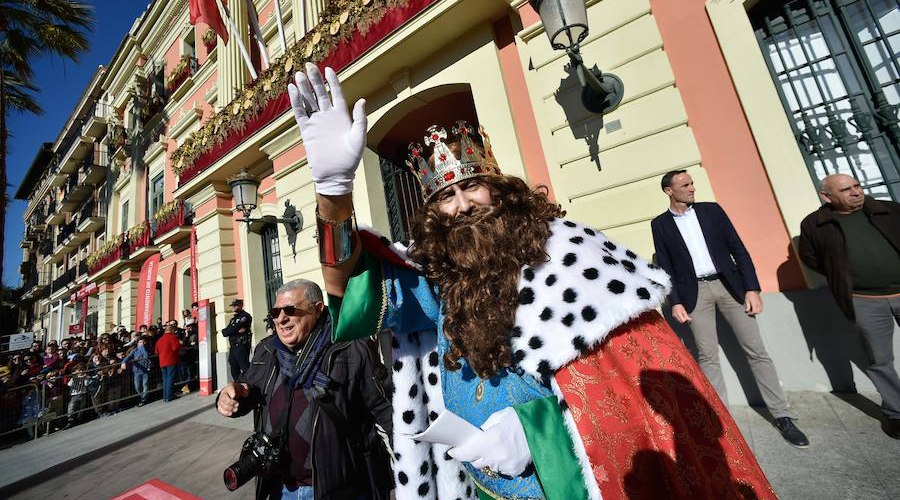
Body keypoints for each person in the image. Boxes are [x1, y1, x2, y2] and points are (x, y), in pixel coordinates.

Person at [286, 64, 776, 499]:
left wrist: (534, 434)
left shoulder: (571, 259)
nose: (460, 207)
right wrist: (333, 195)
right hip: (482, 485)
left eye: (471, 186)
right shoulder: (442, 279)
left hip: (571, 484)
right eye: (445, 197)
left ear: (499, 189)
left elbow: (624, 403)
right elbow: (348, 295)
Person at [650, 170, 809, 448]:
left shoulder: (712, 211)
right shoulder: (660, 224)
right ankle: (720, 421)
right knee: (707, 356)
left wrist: (752, 288)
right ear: (669, 191)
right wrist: (674, 301)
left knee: (756, 350)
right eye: (685, 185)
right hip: (694, 294)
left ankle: (782, 416)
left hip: (729, 287)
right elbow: (665, 266)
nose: (692, 188)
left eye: (692, 183)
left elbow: (739, 249)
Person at [217, 280, 393, 500]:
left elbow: (386, 410)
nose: (281, 319)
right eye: (276, 312)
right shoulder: (266, 349)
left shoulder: (350, 348)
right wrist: (230, 397)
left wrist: (413, 470)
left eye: (290, 310)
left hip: (337, 488)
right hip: (279, 486)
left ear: (318, 309)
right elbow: (248, 388)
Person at [798, 173, 900, 439]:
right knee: (879, 359)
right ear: (827, 196)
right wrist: (843, 276)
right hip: (864, 301)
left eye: (857, 186)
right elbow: (811, 258)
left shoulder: (887, 209)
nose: (856, 192)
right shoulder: (814, 224)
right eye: (846, 189)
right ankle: (896, 412)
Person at [222, 298, 252, 381]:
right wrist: (234, 330)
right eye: (233, 306)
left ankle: (250, 384)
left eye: (235, 305)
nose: (233, 308)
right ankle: (238, 383)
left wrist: (232, 330)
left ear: (240, 305)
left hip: (241, 345)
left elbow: (232, 329)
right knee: (233, 365)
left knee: (244, 366)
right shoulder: (233, 319)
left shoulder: (245, 316)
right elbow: (225, 332)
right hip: (233, 346)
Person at [121, 337, 151, 406]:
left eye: (143, 342)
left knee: (145, 385)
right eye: (140, 342)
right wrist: (123, 362)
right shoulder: (134, 350)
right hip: (137, 371)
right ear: (137, 343)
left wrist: (142, 348)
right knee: (137, 387)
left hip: (145, 370)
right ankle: (143, 397)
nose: (142, 344)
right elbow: (128, 357)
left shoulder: (146, 349)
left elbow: (146, 356)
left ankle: (144, 399)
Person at [156, 322, 182, 402]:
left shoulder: (159, 340)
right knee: (171, 378)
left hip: (162, 362)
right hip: (171, 360)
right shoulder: (173, 337)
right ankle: (169, 396)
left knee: (165, 379)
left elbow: (156, 352)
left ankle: (165, 396)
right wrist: (180, 344)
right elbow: (175, 348)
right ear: (171, 330)